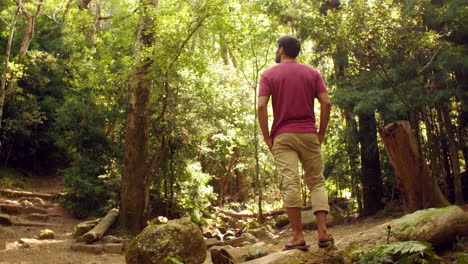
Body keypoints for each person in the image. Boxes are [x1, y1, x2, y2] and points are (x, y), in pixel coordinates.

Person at [257, 36, 333, 250]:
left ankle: (298, 236)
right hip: (309, 134)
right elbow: (326, 101)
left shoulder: (269, 74)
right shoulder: (312, 73)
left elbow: (261, 106)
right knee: (316, 182)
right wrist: (321, 133)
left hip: (282, 136)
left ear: (281, 50)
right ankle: (323, 233)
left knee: (290, 183)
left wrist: (266, 136)